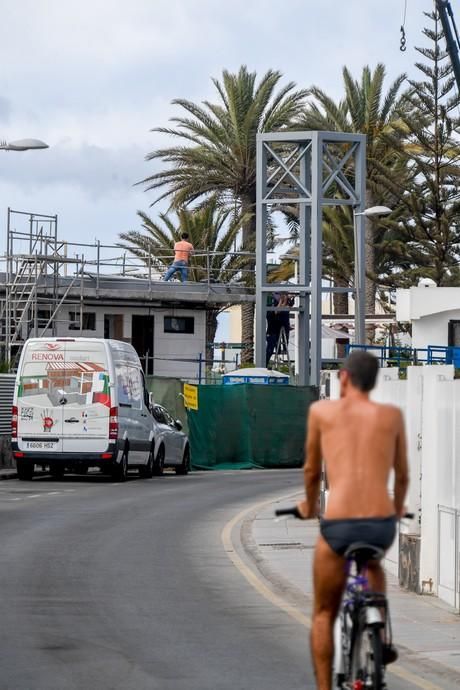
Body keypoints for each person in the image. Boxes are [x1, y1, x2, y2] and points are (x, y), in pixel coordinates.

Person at [297, 351, 409, 690]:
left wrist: (309, 505)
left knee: (323, 613)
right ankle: (380, 628)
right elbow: (402, 475)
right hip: (380, 524)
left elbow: (312, 469)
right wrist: (398, 507)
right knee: (372, 565)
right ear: (373, 382)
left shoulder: (322, 411)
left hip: (339, 525)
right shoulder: (391, 416)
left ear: (344, 378)